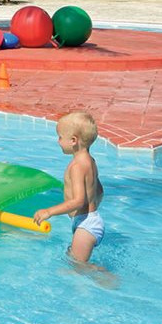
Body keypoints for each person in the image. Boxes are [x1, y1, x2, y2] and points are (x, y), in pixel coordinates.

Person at [33, 111, 110, 272]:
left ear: (73, 140)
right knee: (72, 259)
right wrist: (93, 210)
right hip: (90, 220)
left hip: (86, 226)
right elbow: (99, 190)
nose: (58, 141)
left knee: (78, 268)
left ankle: (108, 278)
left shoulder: (76, 167)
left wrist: (49, 211)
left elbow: (78, 201)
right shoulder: (90, 161)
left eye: (60, 137)